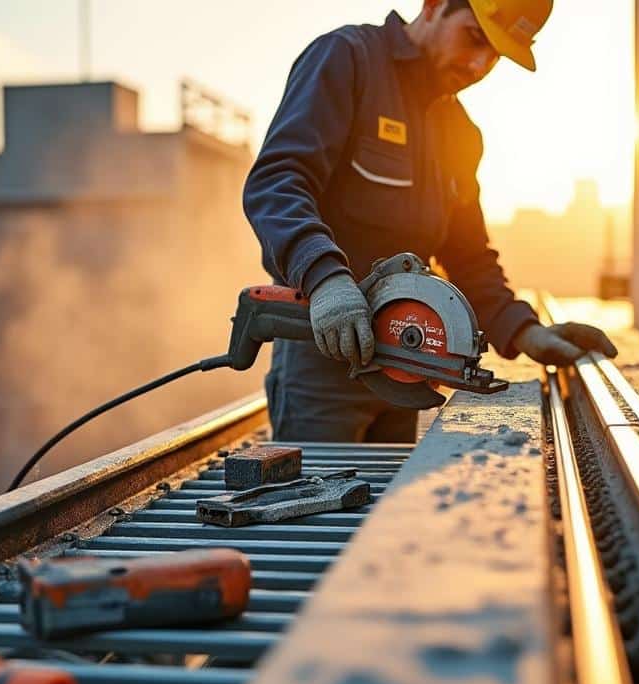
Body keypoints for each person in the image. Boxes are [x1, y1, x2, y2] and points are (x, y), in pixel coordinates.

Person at [244, 0, 619, 442]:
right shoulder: (348, 60)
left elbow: (468, 258)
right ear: (434, 5)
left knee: (385, 509)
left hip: (406, 367)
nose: (480, 64)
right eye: (475, 38)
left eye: (496, 55)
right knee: (316, 500)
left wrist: (524, 330)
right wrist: (325, 278)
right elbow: (277, 182)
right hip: (323, 364)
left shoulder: (461, 133)